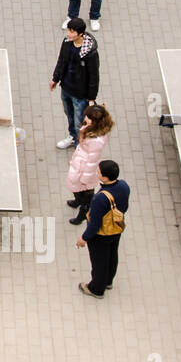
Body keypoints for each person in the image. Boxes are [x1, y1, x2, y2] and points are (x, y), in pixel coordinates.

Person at [76, 160, 128, 298]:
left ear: (105, 177)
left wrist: (84, 238)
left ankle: (96, 289)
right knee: (112, 255)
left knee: (99, 262)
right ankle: (108, 281)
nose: (96, 173)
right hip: (116, 228)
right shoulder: (124, 186)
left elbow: (95, 224)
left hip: (101, 235)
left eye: (98, 172)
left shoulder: (100, 199)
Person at [50, 18, 99, 149]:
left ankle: (80, 143)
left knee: (79, 121)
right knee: (69, 115)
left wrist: (91, 97)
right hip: (66, 88)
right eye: (68, 30)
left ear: (80, 34)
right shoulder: (67, 43)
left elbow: (94, 75)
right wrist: (55, 78)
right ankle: (73, 137)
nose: (68, 34)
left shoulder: (90, 53)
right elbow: (61, 61)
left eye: (71, 32)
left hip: (80, 94)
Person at [65, 104, 113, 225]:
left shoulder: (96, 141)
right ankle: (77, 201)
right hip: (80, 164)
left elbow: (92, 162)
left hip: (85, 171)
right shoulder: (92, 129)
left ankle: (83, 214)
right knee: (76, 188)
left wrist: (85, 179)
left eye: (88, 117)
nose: (85, 118)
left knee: (85, 194)